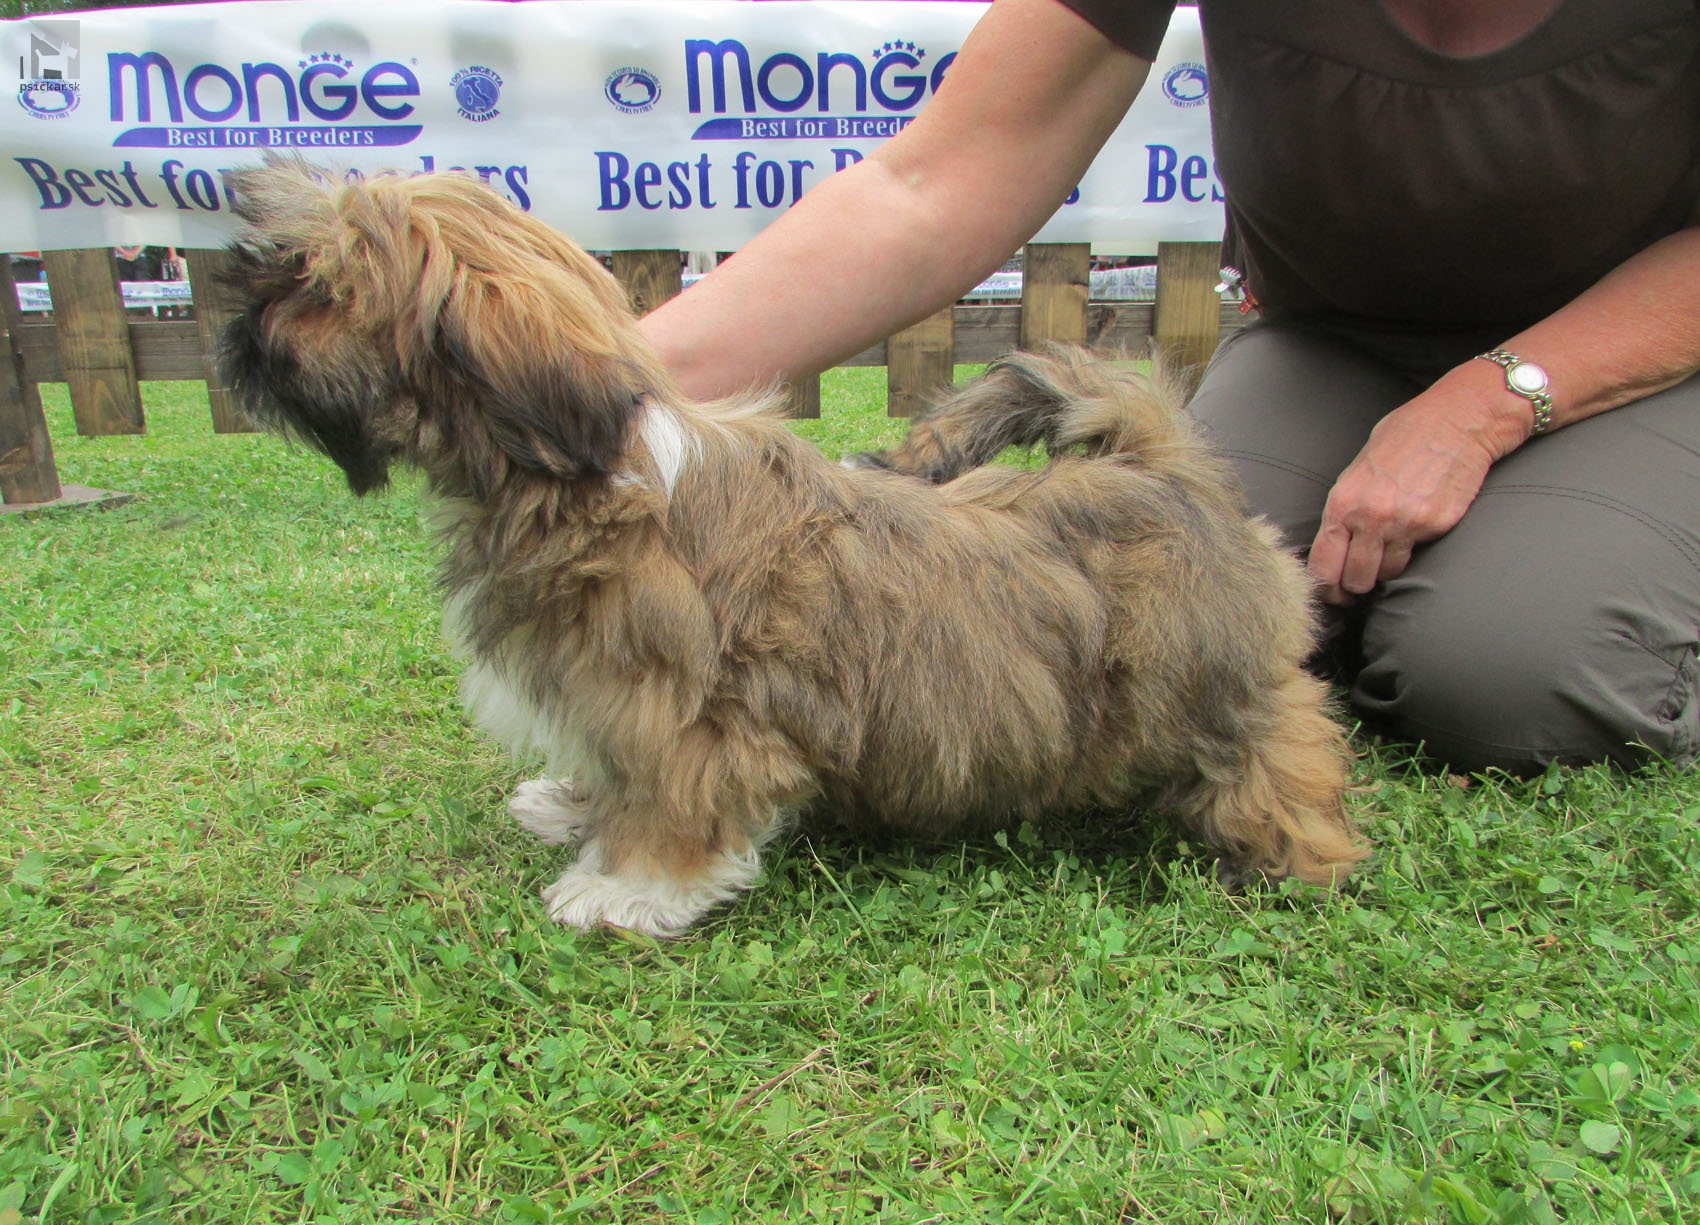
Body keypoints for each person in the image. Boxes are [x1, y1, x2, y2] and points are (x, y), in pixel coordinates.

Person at [639, 0, 1700, 775]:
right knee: (1150, 596)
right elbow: (927, 189)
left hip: (1640, 355)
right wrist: (611, 382)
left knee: (1499, 679)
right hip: (1334, 342)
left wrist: (1488, 402)